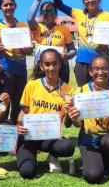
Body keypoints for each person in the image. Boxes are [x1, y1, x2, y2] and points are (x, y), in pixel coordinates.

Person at [68, 55, 109, 183]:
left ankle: (107, 161)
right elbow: (79, 124)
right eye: (96, 69)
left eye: (105, 68)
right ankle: (97, 160)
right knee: (92, 176)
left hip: (108, 137)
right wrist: (74, 118)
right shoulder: (80, 92)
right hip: (88, 139)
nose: (100, 72)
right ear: (90, 72)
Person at [48, 0, 109, 87]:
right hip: (82, 63)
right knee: (84, 95)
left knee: (103, 94)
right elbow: (60, 5)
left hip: (101, 63)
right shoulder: (79, 14)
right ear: (83, 2)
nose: (90, 0)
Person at [16, 49, 75, 179]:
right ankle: (30, 156)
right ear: (41, 66)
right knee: (27, 172)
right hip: (29, 136)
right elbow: (22, 112)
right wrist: (19, 126)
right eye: (47, 64)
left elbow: (68, 124)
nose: (51, 68)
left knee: (68, 147)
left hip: (50, 138)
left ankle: (53, 156)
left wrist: (69, 112)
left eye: (55, 63)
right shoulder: (32, 85)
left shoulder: (69, 91)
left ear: (60, 64)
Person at [0, 0, 33, 125]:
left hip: (21, 69)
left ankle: (16, 130)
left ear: (15, 6)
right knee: (4, 100)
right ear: (0, 8)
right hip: (5, 68)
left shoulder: (24, 26)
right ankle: (1, 127)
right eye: (5, 5)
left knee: (19, 102)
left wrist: (26, 49)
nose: (8, 7)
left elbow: (30, 50)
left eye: (11, 4)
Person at [27, 0, 76, 83]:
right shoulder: (37, 28)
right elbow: (29, 19)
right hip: (41, 68)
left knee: (61, 96)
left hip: (61, 68)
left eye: (52, 11)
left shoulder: (64, 29)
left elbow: (72, 50)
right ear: (41, 14)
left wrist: (68, 56)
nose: (48, 14)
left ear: (56, 14)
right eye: (45, 11)